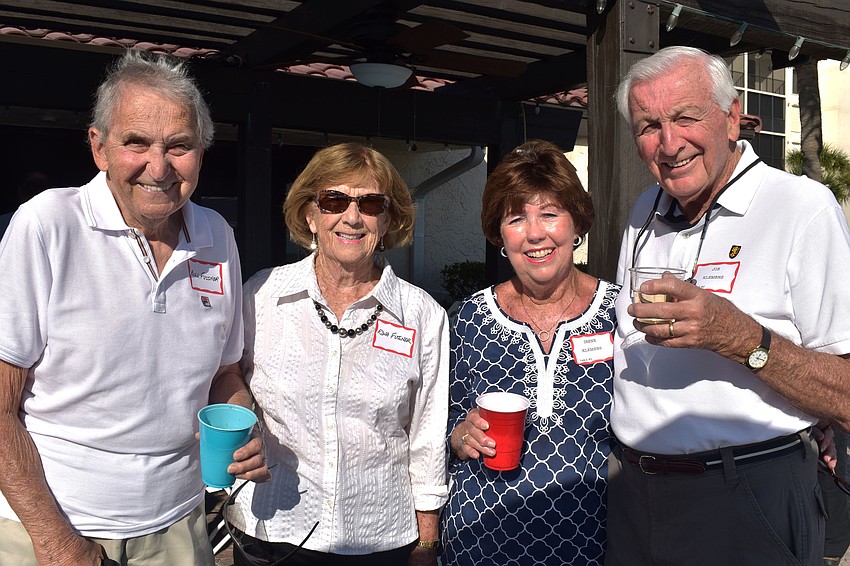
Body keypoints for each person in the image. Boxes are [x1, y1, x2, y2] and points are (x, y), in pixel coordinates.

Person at [0, 49, 269, 566]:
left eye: (179, 146)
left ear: (202, 151)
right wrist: (56, 543)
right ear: (98, 148)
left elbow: (225, 373)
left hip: (178, 527)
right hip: (54, 528)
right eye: (137, 143)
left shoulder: (217, 236)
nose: (159, 166)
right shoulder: (48, 225)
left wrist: (243, 421)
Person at [606, 45, 850, 566]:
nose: (669, 144)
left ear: (731, 117)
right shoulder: (644, 208)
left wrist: (740, 339)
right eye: (648, 126)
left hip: (746, 491)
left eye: (685, 117)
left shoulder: (802, 209)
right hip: (633, 494)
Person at [227, 142, 449, 565]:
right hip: (273, 528)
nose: (351, 216)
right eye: (334, 200)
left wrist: (426, 542)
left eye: (369, 203)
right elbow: (226, 376)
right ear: (310, 214)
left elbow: (426, 438)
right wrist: (240, 427)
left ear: (387, 220)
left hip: (379, 538)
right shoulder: (261, 295)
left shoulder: (423, 315)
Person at [441, 140, 619, 565]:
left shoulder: (622, 316)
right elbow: (437, 422)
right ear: (499, 234)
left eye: (550, 214)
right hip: (482, 541)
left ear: (576, 224)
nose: (535, 233)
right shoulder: (467, 320)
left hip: (595, 543)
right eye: (516, 218)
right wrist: (458, 434)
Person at [0, 171, 50, 239]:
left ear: (20, 191)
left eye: (39, 187)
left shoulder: (3, 222)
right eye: (31, 186)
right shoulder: (59, 224)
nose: (35, 191)